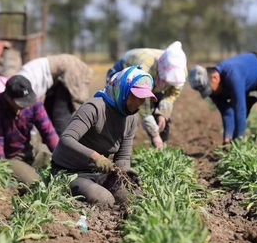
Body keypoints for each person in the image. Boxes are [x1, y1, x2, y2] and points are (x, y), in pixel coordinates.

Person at [51, 66, 156, 205]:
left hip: (99, 172)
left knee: (135, 199)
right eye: (135, 96)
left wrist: (125, 174)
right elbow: (66, 139)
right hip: (71, 171)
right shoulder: (94, 108)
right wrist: (95, 157)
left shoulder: (131, 118)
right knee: (104, 200)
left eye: (143, 98)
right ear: (122, 89)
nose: (138, 103)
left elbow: (123, 156)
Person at [188, 52, 257, 161]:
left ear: (215, 77)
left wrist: (236, 142)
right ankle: (239, 146)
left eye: (210, 88)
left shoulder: (232, 74)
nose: (211, 93)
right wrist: (227, 137)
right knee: (239, 119)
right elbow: (227, 112)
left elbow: (240, 109)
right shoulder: (212, 90)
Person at [0, 75, 59, 186]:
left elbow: (48, 132)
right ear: (8, 98)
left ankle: (27, 171)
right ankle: (23, 178)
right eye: (21, 103)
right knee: (36, 183)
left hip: (24, 149)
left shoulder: (34, 103)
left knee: (47, 154)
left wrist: (63, 159)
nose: (26, 106)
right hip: (6, 156)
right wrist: (2, 174)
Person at [106, 41, 187, 149]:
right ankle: (112, 146)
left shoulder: (181, 70)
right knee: (118, 109)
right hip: (124, 70)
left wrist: (163, 113)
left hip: (154, 80)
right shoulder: (145, 69)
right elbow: (143, 105)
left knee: (163, 115)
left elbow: (173, 93)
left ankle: (161, 150)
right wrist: (154, 134)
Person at [16, 54, 93, 135]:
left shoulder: (26, 86)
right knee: (50, 110)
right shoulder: (19, 81)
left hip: (71, 70)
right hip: (59, 72)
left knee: (60, 114)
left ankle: (67, 143)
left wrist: (31, 133)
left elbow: (33, 110)